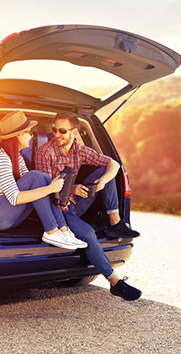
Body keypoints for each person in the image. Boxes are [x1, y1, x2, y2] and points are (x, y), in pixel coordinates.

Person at [35, 112, 141, 301]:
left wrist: (103, 181)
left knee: (104, 171)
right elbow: (46, 188)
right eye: (54, 129)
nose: (56, 134)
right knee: (89, 234)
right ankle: (115, 283)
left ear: (74, 132)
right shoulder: (45, 152)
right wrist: (73, 188)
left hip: (75, 203)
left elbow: (114, 164)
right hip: (58, 209)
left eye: (62, 131)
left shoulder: (80, 150)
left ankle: (115, 222)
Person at [0, 111, 87, 250]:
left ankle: (63, 229)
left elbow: (34, 185)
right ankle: (51, 231)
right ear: (19, 135)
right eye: (29, 132)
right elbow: (14, 198)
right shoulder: (0, 158)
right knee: (37, 177)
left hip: (9, 216)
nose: (32, 136)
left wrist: (51, 189)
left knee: (43, 178)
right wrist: (50, 189)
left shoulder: (17, 157)